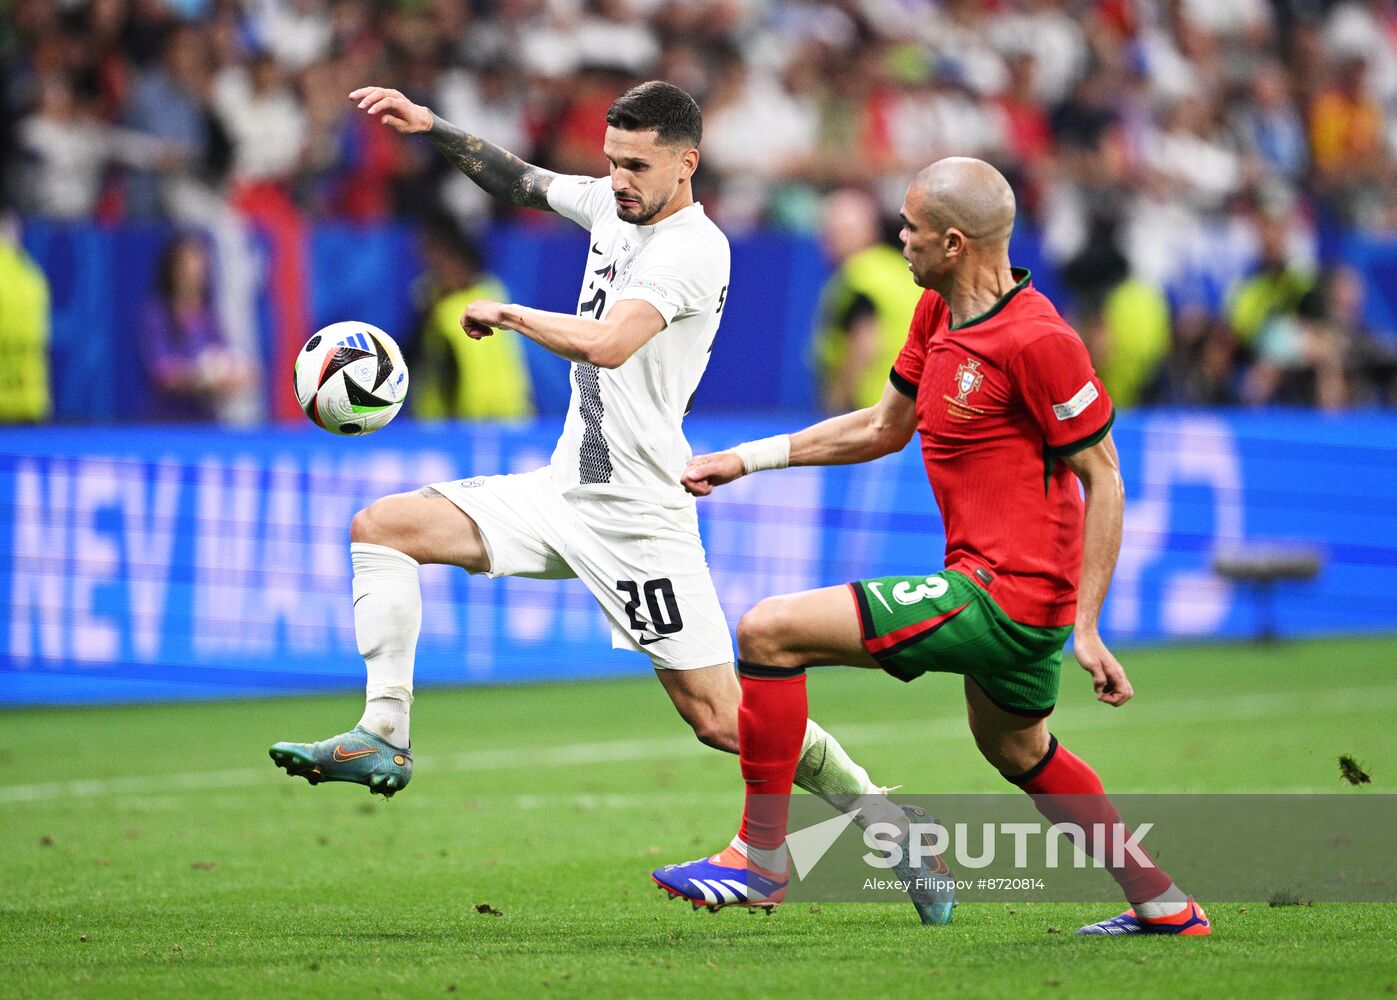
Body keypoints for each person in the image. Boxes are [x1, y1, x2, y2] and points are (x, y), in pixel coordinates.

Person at [267, 80, 946, 922]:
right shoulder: (612, 206)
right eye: (611, 161)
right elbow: (519, 179)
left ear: (684, 164)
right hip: (563, 490)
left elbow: (612, 342)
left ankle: (890, 825)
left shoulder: (695, 250)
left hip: (638, 516)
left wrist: (511, 313)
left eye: (635, 165)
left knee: (719, 717)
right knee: (383, 527)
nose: (617, 179)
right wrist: (431, 124)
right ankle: (384, 732)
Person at [652, 157, 1212, 937]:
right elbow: (881, 428)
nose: (899, 238)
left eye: (911, 227)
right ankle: (1163, 903)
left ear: (952, 242)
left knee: (767, 632)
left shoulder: (1039, 340)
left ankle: (760, 859)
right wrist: (746, 459)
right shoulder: (935, 314)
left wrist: (1088, 625)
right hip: (1004, 597)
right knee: (1018, 749)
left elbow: (1105, 477)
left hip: (1005, 596)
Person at [811, 188, 924, 413]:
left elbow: (864, 344)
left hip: (869, 411)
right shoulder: (901, 269)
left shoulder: (859, 275)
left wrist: (837, 405)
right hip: (914, 406)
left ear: (868, 232)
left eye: (837, 233)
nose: (828, 242)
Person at [410, 216, 533, 420]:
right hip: (472, 421)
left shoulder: (481, 302)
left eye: (442, 259)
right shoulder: (492, 294)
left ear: (462, 261)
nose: (436, 268)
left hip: (490, 419)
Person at [139, 233, 256, 423]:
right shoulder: (155, 315)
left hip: (205, 426)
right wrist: (201, 377)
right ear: (172, 269)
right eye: (187, 266)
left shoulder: (209, 318)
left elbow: (229, 360)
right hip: (165, 426)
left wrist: (234, 374)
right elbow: (162, 375)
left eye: (199, 267)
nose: (193, 274)